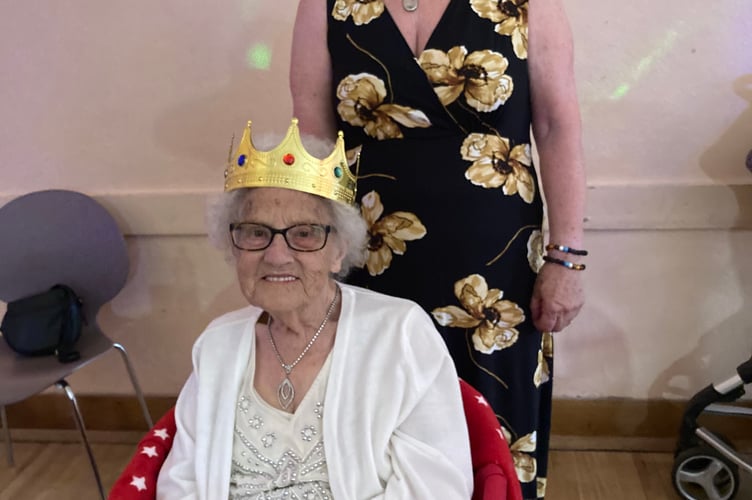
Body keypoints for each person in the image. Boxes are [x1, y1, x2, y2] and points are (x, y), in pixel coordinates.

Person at [290, 1, 586, 498]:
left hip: (495, 268)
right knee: (379, 411)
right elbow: (315, 139)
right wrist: (307, 255)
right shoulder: (325, 5)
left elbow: (557, 127)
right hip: (368, 260)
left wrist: (568, 256)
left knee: (492, 417)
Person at [156, 119, 473, 499]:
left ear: (339, 250)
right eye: (256, 233)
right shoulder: (217, 346)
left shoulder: (399, 333)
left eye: (304, 234)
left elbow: (438, 487)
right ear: (234, 247)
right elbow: (181, 484)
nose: (276, 256)